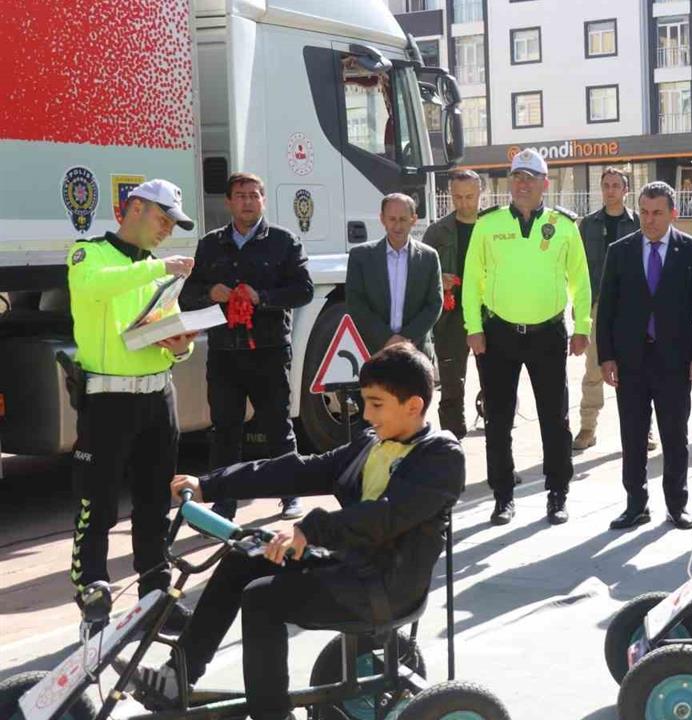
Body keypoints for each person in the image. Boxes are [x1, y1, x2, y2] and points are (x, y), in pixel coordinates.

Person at [132, 345, 465, 720]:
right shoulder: (371, 443)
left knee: (263, 601)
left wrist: (310, 529)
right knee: (243, 559)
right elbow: (300, 470)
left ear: (413, 405)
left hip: (386, 587)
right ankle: (179, 676)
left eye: (376, 404)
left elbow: (384, 518)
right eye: (365, 403)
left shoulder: (441, 459)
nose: (366, 414)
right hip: (351, 566)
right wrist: (209, 485)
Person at [67, 178, 197, 634]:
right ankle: (94, 595)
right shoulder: (88, 254)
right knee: (97, 504)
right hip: (107, 400)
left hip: (158, 395)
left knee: (153, 503)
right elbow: (94, 289)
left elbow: (170, 335)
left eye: (173, 225)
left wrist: (181, 347)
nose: (167, 231)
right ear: (135, 208)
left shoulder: (158, 270)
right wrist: (158, 269)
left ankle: (156, 596)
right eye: (164, 220)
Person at [463, 148, 591, 526]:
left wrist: (581, 326)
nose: (521, 183)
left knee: (556, 419)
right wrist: (473, 327)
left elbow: (580, 282)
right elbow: (472, 279)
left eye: (529, 177)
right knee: (498, 421)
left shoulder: (563, 225)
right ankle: (502, 496)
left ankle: (557, 493)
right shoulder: (488, 225)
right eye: (516, 176)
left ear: (544, 184)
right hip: (498, 334)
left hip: (548, 334)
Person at [180, 172, 314, 521]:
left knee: (277, 427)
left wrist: (263, 297)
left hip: (268, 351)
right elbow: (187, 294)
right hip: (225, 353)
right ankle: (224, 502)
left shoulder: (284, 242)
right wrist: (210, 293)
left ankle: (290, 495)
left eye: (254, 195)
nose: (248, 201)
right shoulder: (210, 244)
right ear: (228, 202)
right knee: (225, 430)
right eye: (240, 195)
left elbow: (304, 291)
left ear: (263, 201)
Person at [596, 181, 692, 530]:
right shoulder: (620, 251)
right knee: (632, 436)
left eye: (657, 213)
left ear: (672, 213)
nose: (649, 220)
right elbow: (607, 310)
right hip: (630, 361)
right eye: (644, 212)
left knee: (675, 435)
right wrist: (607, 357)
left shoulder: (691, 251)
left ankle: (677, 505)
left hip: (674, 361)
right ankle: (636, 504)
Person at [574, 167, 641, 451]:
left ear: (626, 190)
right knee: (594, 370)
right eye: (606, 185)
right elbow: (577, 270)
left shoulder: (639, 222)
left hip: (631, 307)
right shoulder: (587, 225)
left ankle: (642, 429)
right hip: (597, 305)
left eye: (616, 185)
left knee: (636, 370)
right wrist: (579, 311)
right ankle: (588, 428)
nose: (611, 190)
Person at [422, 170, 483, 437]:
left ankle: (499, 448)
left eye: (470, 196)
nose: (464, 202)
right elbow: (422, 271)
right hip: (451, 317)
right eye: (457, 197)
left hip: (489, 316)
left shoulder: (493, 227)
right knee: (451, 386)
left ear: (481, 193)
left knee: (495, 383)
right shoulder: (437, 232)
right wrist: (439, 278)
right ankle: (451, 443)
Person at [347, 193, 443, 361]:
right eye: (392, 219)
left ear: (413, 219)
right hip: (375, 352)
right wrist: (386, 338)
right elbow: (356, 303)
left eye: (403, 219)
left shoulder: (429, 257)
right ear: (382, 219)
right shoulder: (360, 256)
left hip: (416, 352)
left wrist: (405, 339)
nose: (397, 226)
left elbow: (434, 304)